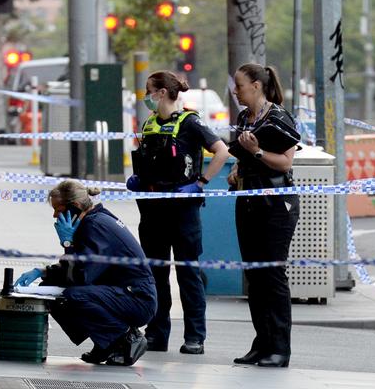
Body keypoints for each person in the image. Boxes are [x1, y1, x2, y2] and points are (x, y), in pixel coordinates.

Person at [126, 70, 229, 355]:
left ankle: (195, 336)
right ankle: (157, 334)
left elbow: (221, 151)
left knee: (187, 274)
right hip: (153, 210)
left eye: (148, 90)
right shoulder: (149, 124)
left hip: (183, 211)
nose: (145, 96)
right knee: (156, 274)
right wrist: (138, 180)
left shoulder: (190, 122)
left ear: (161, 93)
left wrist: (201, 183)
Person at [14, 179, 157, 366]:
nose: (55, 215)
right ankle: (105, 343)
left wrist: (67, 244)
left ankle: (125, 338)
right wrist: (43, 272)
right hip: (120, 292)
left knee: (73, 295)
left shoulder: (95, 226)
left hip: (137, 298)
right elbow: (81, 268)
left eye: (58, 209)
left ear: (74, 207)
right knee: (49, 290)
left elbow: (82, 276)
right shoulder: (91, 221)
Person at [228, 63, 301, 368]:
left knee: (272, 275)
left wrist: (257, 152)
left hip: (275, 205)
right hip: (248, 201)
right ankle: (262, 343)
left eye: (240, 85)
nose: (236, 91)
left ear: (257, 85)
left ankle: (279, 347)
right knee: (254, 276)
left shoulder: (279, 117)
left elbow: (284, 163)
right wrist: (237, 169)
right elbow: (242, 155)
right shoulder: (245, 117)